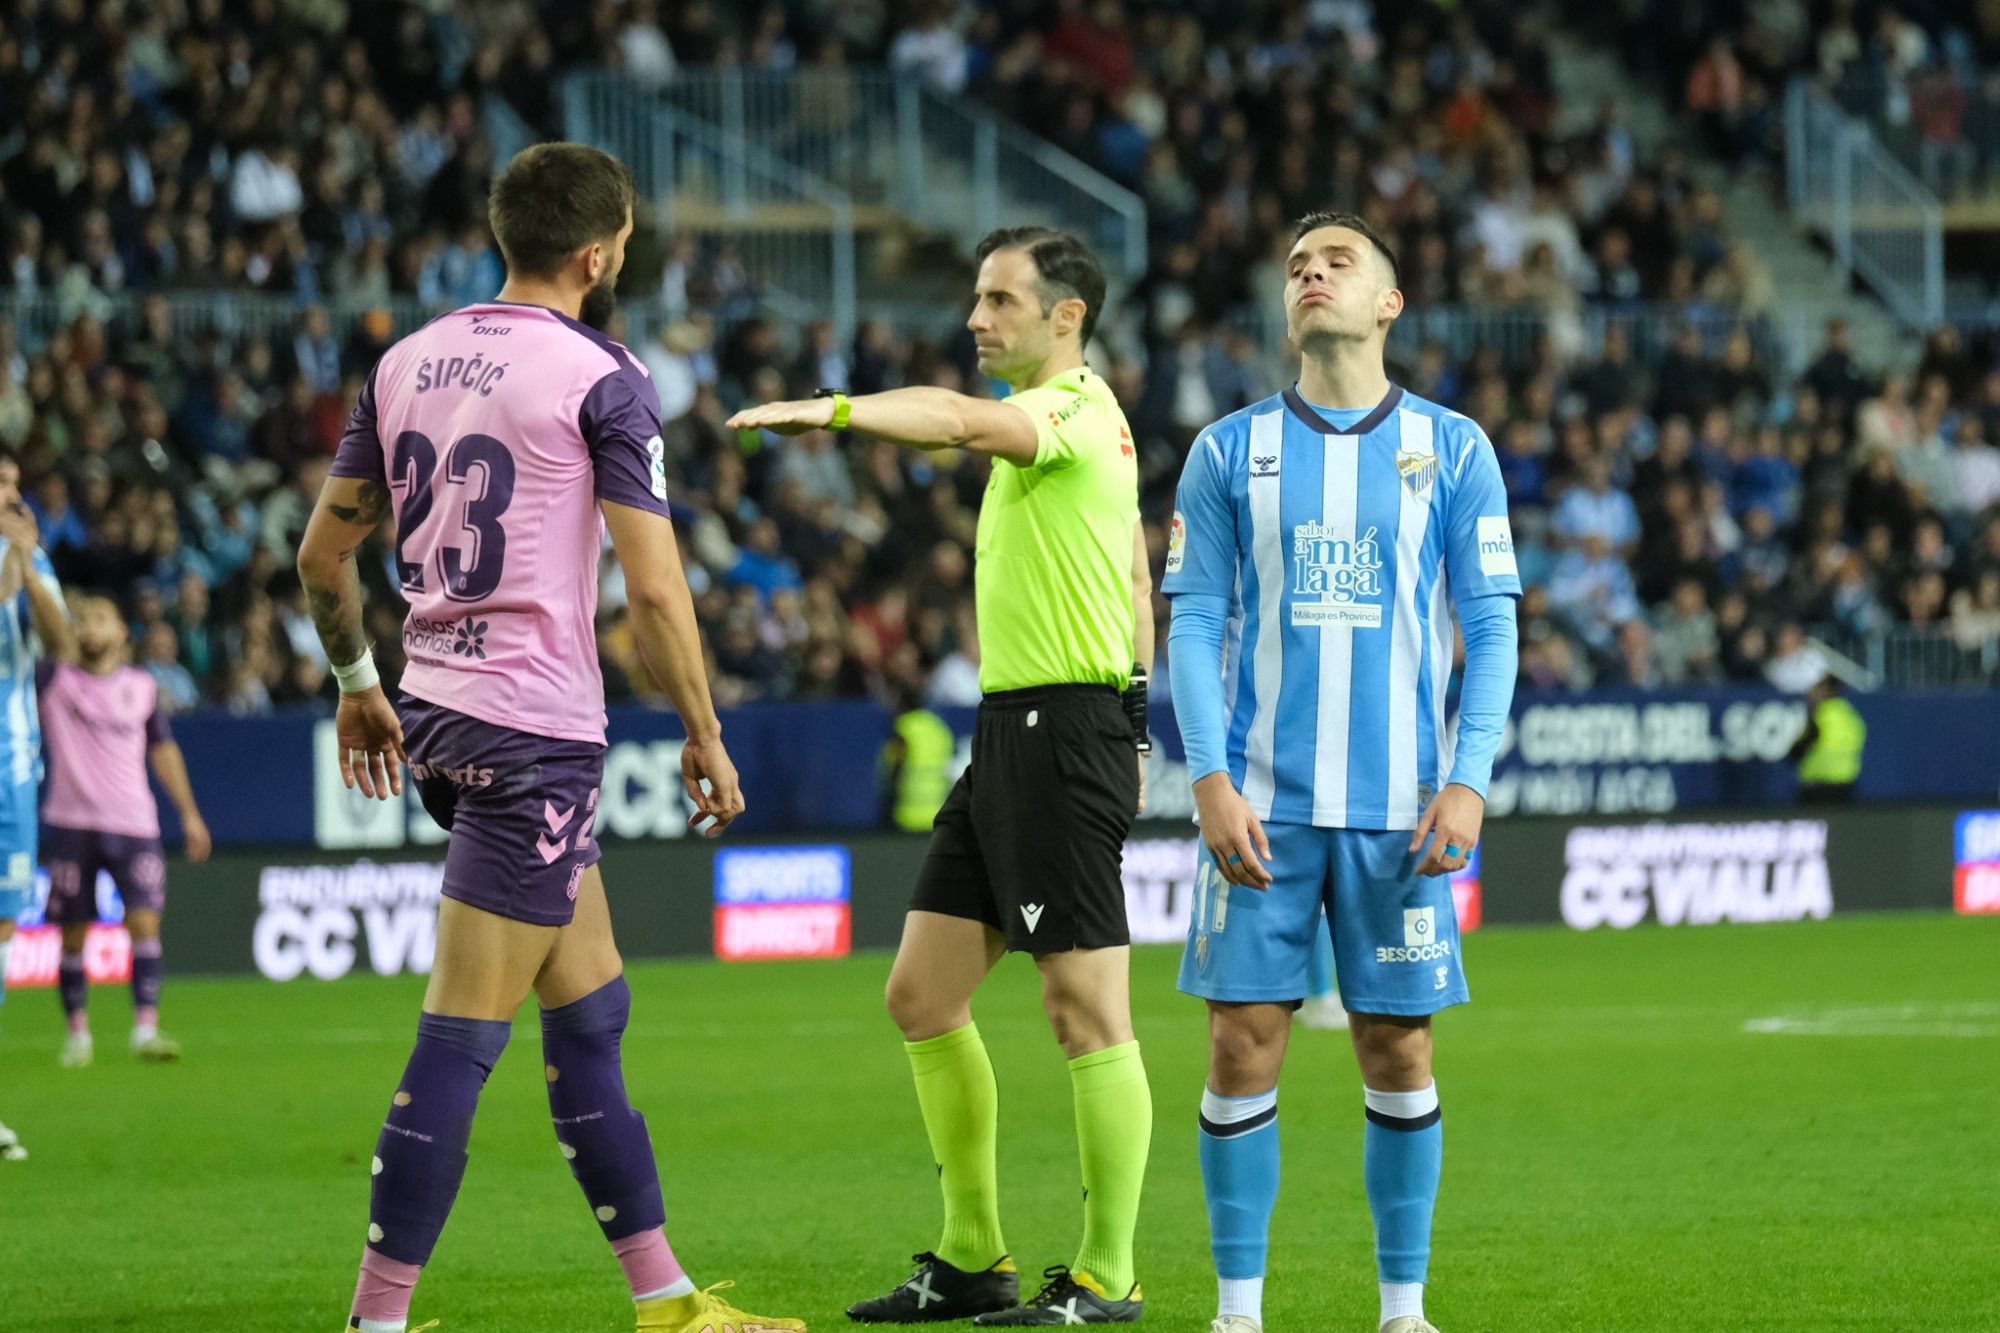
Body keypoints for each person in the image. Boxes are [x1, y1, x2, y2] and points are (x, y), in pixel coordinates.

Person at [297, 142, 801, 1333]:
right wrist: (703, 731)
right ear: (598, 252)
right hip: (534, 736)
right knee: (460, 1038)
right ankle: (375, 1322)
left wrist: (356, 681)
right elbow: (658, 594)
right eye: (622, 242)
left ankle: (667, 1299)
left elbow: (324, 553)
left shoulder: (406, 360)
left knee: (589, 1010)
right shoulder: (604, 375)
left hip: (434, 710)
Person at [729, 226, 1154, 1326]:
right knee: (920, 994)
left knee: (1083, 1010)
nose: (976, 318)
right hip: (1019, 730)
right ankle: (973, 1258)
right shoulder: (1083, 429)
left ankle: (1108, 1276)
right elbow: (1131, 572)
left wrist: (832, 410)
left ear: (1064, 317)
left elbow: (963, 423)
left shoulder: (1064, 414)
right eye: (975, 298)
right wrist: (1142, 720)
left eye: (999, 300)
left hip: (1061, 731)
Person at [1163, 211, 1521, 1333]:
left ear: (1386, 303)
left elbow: (1491, 626)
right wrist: (1209, 776)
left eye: (1337, 264)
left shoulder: (1452, 447)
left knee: (1396, 1042)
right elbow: (1193, 623)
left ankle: (1401, 1310)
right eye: (1294, 268)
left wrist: (1466, 777)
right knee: (1239, 1040)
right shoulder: (1226, 450)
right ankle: (1236, 1312)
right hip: (1262, 803)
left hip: (1403, 806)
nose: (1310, 276)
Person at [40, 595, 212, 1067]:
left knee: (143, 921)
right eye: (80, 620)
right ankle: (77, 1034)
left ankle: (145, 1030)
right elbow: (50, 628)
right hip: (71, 821)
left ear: (120, 632)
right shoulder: (54, 679)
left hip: (134, 821)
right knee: (72, 932)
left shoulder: (141, 687)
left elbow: (163, 751)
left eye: (99, 619)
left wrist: (189, 813)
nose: (88, 628)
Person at [0, 451, 71, 1160]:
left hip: (9, 767)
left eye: (16, 484)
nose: (13, 495)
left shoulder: (25, 555)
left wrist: (26, 566)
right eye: (1, 484)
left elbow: (63, 644)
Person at [1788, 674, 1866, 803]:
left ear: (1825, 690)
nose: (1810, 694)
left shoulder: (1818, 716)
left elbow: (1797, 751)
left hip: (1818, 788)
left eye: (1815, 689)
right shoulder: (1850, 715)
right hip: (1846, 786)